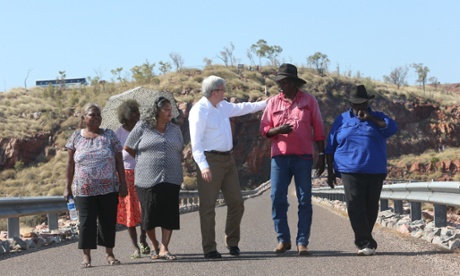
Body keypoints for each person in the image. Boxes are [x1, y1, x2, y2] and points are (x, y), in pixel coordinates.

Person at [189, 75, 267, 258]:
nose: (225, 93)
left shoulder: (222, 106)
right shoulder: (199, 111)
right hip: (210, 161)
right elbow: (196, 143)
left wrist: (266, 103)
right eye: (223, 90)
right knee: (208, 207)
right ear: (215, 92)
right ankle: (209, 248)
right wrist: (203, 166)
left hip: (228, 160)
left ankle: (232, 242)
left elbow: (244, 108)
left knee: (237, 203)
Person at [260, 63, 326, 256]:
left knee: (304, 199)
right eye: (279, 82)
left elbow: (319, 129)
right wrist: (278, 130)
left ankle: (302, 242)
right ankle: (283, 239)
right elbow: (264, 129)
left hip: (303, 158)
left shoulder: (309, 101)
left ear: (293, 82)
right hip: (279, 158)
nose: (281, 85)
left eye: (284, 81)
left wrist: (321, 156)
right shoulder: (273, 102)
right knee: (276, 198)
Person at [325, 84, 398, 256]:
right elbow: (330, 146)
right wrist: (330, 172)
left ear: (368, 102)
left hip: (375, 169)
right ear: (350, 104)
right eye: (356, 104)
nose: (359, 107)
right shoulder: (341, 120)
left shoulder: (378, 117)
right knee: (355, 204)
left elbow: (392, 128)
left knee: (371, 206)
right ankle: (365, 242)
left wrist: (370, 118)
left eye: (362, 103)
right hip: (349, 169)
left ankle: (366, 238)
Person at [64, 103, 128, 268]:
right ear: (84, 118)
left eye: (99, 115)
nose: (97, 118)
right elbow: (70, 164)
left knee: (107, 221)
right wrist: (67, 186)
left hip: (108, 188)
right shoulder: (76, 137)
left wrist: (123, 183)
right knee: (86, 222)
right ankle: (86, 256)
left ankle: (109, 253)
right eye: (93, 114)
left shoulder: (109, 135)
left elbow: (119, 162)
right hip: (84, 189)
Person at [124, 96, 183, 261]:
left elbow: (179, 148)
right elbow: (128, 146)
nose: (170, 112)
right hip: (146, 178)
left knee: (169, 214)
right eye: (166, 109)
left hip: (172, 176)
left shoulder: (175, 129)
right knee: (149, 216)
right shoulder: (142, 127)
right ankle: (154, 244)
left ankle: (164, 248)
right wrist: (143, 159)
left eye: (171, 109)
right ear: (156, 111)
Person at [114, 99, 150, 259]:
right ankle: (135, 246)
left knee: (144, 209)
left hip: (144, 173)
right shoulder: (118, 134)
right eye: (132, 112)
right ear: (125, 115)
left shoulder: (144, 130)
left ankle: (143, 238)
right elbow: (115, 156)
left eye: (137, 112)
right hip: (126, 175)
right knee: (130, 212)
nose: (136, 115)